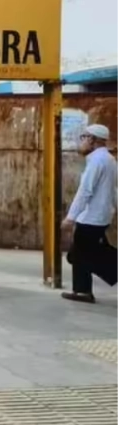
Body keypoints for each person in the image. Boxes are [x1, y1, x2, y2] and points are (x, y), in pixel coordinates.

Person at [61, 124, 118, 303]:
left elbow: (85, 191)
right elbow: (114, 190)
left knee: (82, 255)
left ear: (93, 140)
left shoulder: (97, 161)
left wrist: (71, 217)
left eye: (84, 137)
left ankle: (83, 291)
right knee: (80, 254)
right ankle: (82, 291)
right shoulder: (109, 159)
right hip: (100, 216)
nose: (82, 142)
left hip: (91, 217)